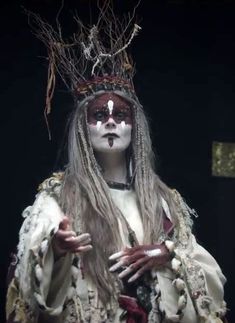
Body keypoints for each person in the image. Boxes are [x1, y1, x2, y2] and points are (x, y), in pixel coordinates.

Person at [6, 4, 227, 323]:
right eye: (100, 115)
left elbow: (205, 269)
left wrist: (167, 254)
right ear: (84, 127)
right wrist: (54, 248)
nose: (110, 122)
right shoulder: (59, 197)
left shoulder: (165, 201)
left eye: (120, 115)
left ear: (134, 126)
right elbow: (30, 263)